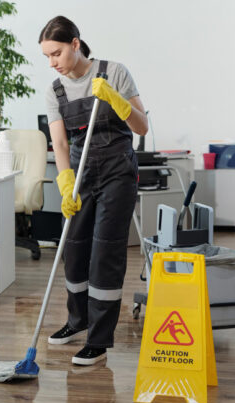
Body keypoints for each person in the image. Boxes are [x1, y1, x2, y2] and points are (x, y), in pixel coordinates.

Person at [39, 16, 148, 365]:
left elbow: (142, 125)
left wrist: (117, 100)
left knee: (105, 253)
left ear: (74, 43)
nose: (53, 62)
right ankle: (77, 320)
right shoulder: (54, 90)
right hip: (81, 176)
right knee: (74, 248)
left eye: (56, 53)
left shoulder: (113, 72)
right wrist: (65, 180)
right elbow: (58, 141)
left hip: (117, 173)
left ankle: (99, 339)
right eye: (47, 57)